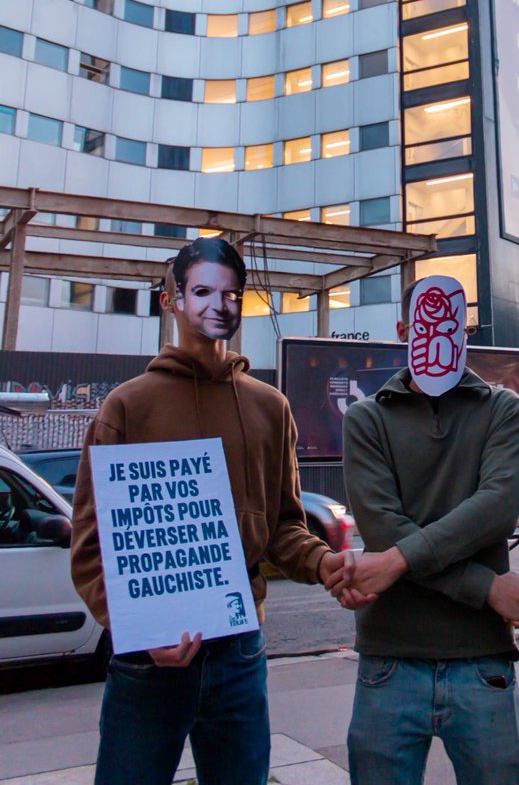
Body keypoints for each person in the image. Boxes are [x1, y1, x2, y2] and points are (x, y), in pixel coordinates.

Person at [71, 237, 346, 785]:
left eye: (231, 294)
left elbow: (284, 526)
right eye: (200, 291)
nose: (217, 305)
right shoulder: (126, 406)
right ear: (170, 298)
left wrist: (322, 563)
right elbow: (90, 547)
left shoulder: (271, 407)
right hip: (149, 660)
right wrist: (137, 627)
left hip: (239, 654)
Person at [329, 276, 519, 785]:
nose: (442, 334)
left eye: (453, 325)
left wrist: (396, 561)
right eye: (427, 323)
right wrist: (485, 587)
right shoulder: (366, 418)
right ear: (403, 330)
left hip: (480, 660)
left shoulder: (501, 408)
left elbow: (497, 507)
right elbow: (380, 524)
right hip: (390, 661)